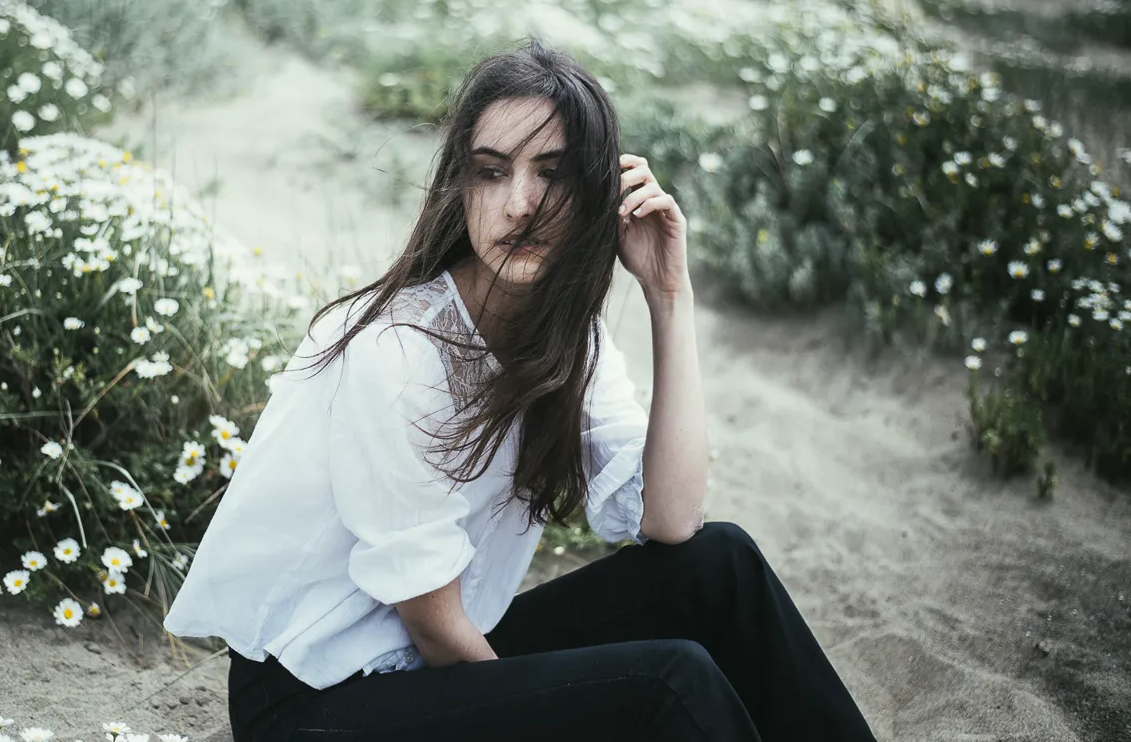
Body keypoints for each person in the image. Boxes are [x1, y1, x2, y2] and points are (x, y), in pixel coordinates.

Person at [164, 39, 878, 741]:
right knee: (666, 682)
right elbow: (438, 629)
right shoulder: (396, 348)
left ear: (599, 193)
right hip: (313, 704)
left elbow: (671, 520)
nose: (520, 205)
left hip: (421, 668)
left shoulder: (569, 340)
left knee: (721, 566)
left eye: (553, 174)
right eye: (491, 172)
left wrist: (670, 296)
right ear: (459, 186)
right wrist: (559, 707)